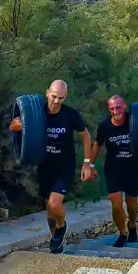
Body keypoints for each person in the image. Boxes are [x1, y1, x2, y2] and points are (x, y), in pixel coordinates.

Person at [90, 95, 138, 248]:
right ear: (109, 109)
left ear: (124, 106)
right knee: (117, 205)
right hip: (113, 170)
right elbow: (97, 145)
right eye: (112, 108)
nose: (115, 111)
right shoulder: (105, 126)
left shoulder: (134, 120)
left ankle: (132, 225)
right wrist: (90, 165)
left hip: (132, 168)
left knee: (132, 205)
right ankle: (122, 233)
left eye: (118, 107)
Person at [40, 80, 96, 254]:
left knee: (54, 203)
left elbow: (86, 137)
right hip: (44, 165)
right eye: (54, 96)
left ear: (66, 97)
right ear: (47, 93)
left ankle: (61, 226)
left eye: (61, 98)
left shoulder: (70, 115)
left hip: (64, 165)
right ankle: (56, 242)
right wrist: (22, 124)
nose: (56, 101)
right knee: (49, 211)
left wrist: (87, 164)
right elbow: (14, 125)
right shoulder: (37, 112)